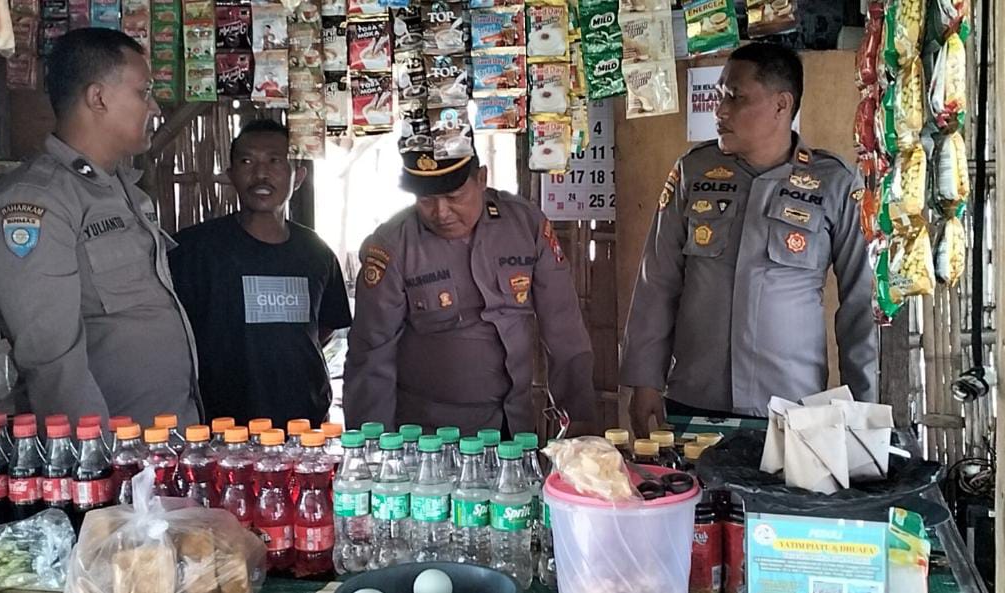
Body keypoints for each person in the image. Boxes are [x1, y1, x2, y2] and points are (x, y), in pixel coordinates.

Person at [620, 43, 879, 436]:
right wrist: (644, 379)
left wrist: (863, 411)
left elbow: (861, 303)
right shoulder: (694, 172)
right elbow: (656, 282)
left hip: (790, 408)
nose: (719, 110)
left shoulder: (835, 183)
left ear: (781, 104)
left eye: (735, 97)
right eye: (720, 95)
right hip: (695, 398)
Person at [0, 28, 201, 428]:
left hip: (164, 444)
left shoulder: (125, 194)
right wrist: (96, 469)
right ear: (98, 98)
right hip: (114, 460)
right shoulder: (35, 204)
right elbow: (53, 364)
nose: (155, 108)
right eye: (143, 92)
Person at [344, 148, 596, 436]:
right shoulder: (393, 244)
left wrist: (579, 417)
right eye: (426, 199)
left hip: (514, 428)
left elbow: (564, 327)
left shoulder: (526, 226)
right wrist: (373, 449)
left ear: (482, 178)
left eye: (453, 197)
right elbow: (371, 355)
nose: (441, 212)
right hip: (428, 438)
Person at [169, 119, 352, 427]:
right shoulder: (194, 250)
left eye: (275, 161)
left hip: (305, 424)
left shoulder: (317, 253)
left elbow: (325, 328)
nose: (261, 173)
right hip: (224, 426)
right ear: (231, 176)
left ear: (299, 176)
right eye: (246, 161)